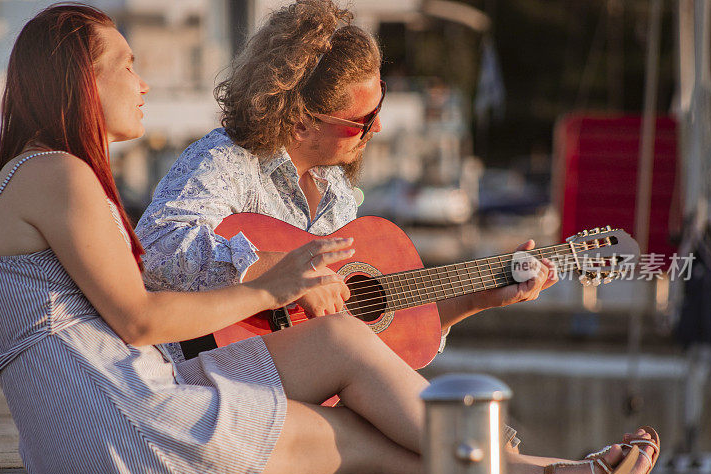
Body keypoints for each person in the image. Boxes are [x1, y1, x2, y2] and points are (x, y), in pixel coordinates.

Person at [0, 5, 659, 474]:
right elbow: (139, 315)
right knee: (352, 432)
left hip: (96, 431)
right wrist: (270, 284)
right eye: (127, 64)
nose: (144, 80)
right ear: (78, 84)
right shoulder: (59, 174)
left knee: (349, 375)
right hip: (125, 427)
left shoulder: (24, 177)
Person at [135, 0, 553, 369]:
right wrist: (280, 270)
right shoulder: (225, 160)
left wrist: (479, 298)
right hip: (209, 376)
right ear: (300, 123)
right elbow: (155, 248)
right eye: (363, 121)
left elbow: (373, 339)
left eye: (379, 105)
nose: (379, 126)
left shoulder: (335, 192)